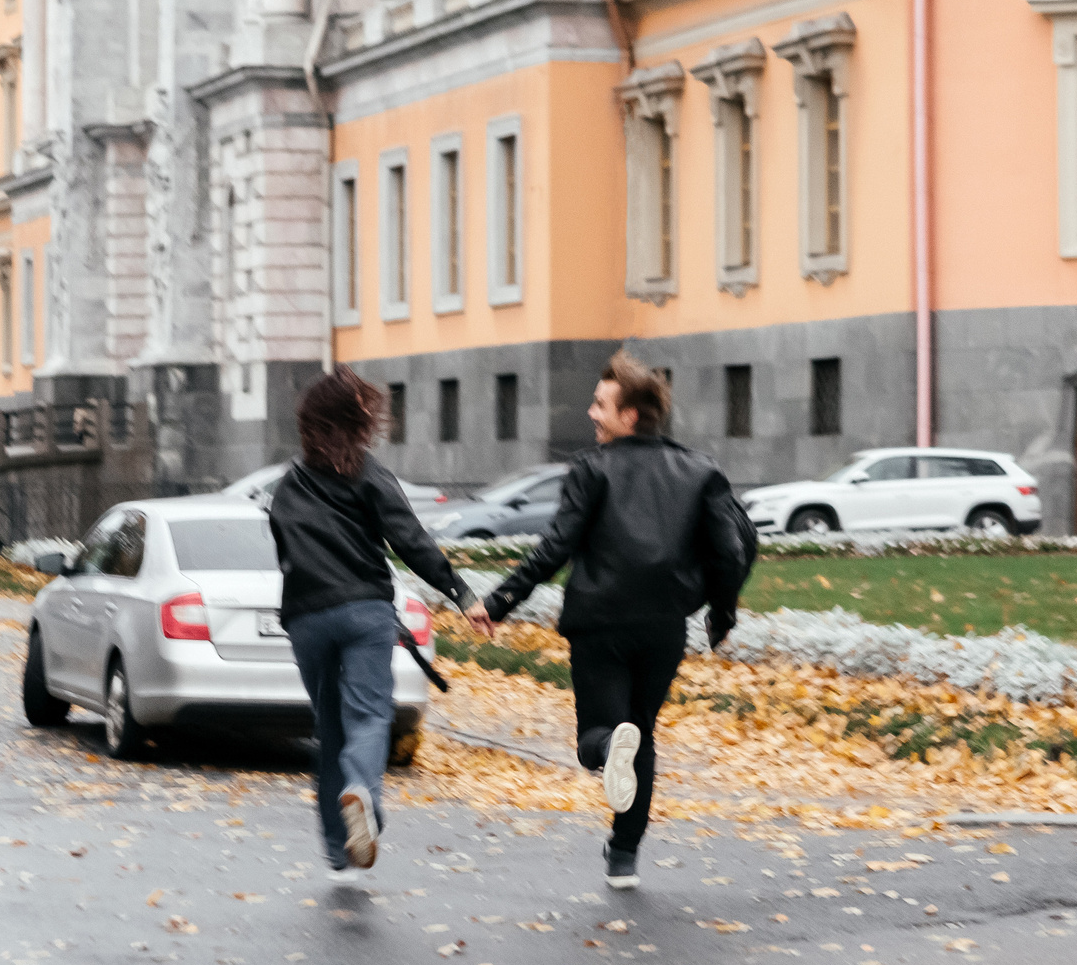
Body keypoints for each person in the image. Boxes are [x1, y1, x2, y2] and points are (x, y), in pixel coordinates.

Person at [481, 353, 755, 889]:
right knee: (643, 735)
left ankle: (609, 749)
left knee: (597, 738)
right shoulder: (701, 471)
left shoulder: (590, 468)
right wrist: (721, 612)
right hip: (662, 627)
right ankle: (624, 855)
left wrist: (498, 602)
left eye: (601, 405)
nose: (591, 413)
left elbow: (556, 546)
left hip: (599, 623)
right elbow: (730, 550)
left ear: (631, 415)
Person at [269, 367, 482, 880]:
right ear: (353, 420)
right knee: (369, 717)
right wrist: (461, 592)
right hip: (364, 612)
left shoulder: (287, 488)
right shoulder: (367, 473)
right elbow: (409, 539)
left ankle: (338, 856)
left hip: (306, 618)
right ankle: (362, 791)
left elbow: (284, 552)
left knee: (331, 731)